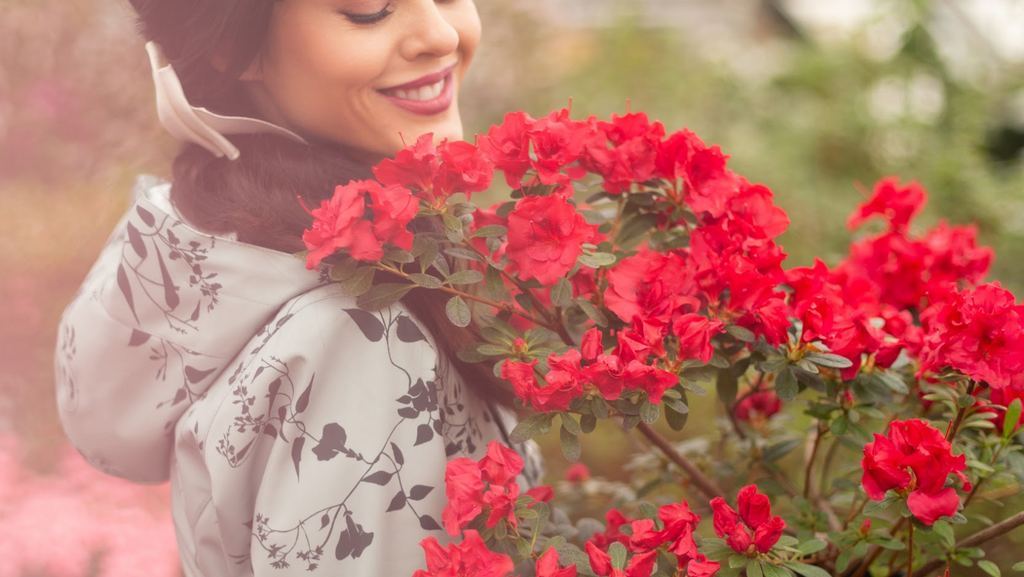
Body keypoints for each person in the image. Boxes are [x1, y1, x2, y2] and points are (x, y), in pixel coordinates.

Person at [53, 1, 544, 575]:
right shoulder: (360, 336)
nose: (440, 35)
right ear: (231, 45)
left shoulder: (228, 247)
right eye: (370, 9)